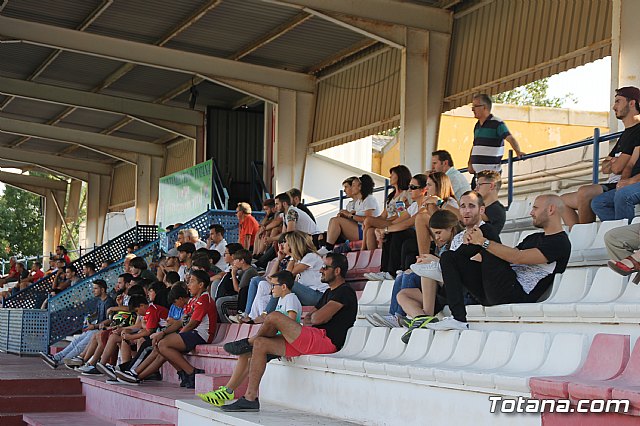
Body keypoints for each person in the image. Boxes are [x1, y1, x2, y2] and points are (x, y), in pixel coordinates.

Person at [215, 253, 357, 412]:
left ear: (337, 271)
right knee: (261, 344)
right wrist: (314, 317)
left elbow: (316, 318)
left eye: (325, 267)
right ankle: (250, 398)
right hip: (313, 337)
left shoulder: (345, 292)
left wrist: (315, 317)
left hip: (326, 341)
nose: (321, 270)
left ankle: (248, 342)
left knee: (274, 316)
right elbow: (310, 317)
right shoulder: (328, 293)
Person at [429, 194, 571, 331]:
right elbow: (505, 256)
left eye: (535, 208)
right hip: (495, 289)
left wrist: (482, 241)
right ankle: (457, 316)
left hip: (515, 294)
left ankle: (444, 267)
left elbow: (516, 257)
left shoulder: (559, 242)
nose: (531, 212)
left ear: (551, 209)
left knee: (486, 231)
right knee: (449, 257)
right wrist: (475, 240)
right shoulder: (533, 237)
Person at [197, 270, 302, 407]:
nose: (271, 290)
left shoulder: (291, 298)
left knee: (251, 355)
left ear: (283, 286)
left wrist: (287, 346)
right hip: (276, 341)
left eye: (274, 285)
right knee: (244, 354)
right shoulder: (282, 299)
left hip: (285, 342)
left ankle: (229, 390)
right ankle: (227, 391)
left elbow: (291, 324)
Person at [115, 270, 217, 388]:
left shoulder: (204, 299)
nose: (188, 285)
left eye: (192, 281)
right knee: (160, 346)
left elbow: (192, 324)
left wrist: (177, 335)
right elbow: (180, 322)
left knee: (163, 344)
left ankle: (192, 372)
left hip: (201, 334)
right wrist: (163, 333)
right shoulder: (193, 301)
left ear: (201, 285)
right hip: (192, 333)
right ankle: (136, 375)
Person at [364, 173, 430, 281]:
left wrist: (386, 229)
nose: (409, 190)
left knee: (398, 232)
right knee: (391, 232)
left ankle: (391, 272)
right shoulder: (414, 206)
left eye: (413, 187)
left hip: (424, 239)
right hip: (414, 236)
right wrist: (382, 231)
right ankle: (384, 270)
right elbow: (397, 221)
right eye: (409, 187)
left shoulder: (426, 204)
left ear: (424, 189)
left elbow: (407, 223)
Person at [39, 279, 115, 368]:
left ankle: (60, 361)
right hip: (95, 329)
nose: (93, 291)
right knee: (75, 342)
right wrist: (89, 319)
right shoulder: (100, 301)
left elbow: (110, 320)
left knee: (80, 345)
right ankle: (56, 357)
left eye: (95, 288)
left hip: (102, 330)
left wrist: (94, 326)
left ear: (102, 290)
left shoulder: (109, 301)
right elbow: (97, 314)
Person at [590, 86, 640, 222]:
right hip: (634, 182)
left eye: (618, 101)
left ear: (632, 103)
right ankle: (618, 235)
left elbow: (617, 167)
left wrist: (631, 181)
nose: (613, 107)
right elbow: (629, 164)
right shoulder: (626, 134)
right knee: (598, 203)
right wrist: (623, 181)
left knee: (622, 195)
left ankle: (624, 238)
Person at [263, 231, 328, 313]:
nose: (283, 245)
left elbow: (287, 276)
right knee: (281, 288)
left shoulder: (310, 256)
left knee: (285, 284)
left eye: (286, 242)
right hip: (309, 294)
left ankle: (266, 314)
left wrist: (292, 255)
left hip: (318, 295)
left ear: (292, 245)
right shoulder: (301, 259)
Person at [467, 94, 525, 182]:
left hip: (490, 176)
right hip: (478, 175)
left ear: (485, 107)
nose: (472, 109)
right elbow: (475, 145)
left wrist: (518, 151)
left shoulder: (497, 123)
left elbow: (510, 138)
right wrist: (470, 162)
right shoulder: (477, 125)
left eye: (475, 106)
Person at [320, 174, 380, 253]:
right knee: (334, 221)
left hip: (366, 232)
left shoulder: (369, 199)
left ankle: (328, 248)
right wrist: (345, 217)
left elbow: (369, 220)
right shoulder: (359, 201)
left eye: (353, 185)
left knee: (336, 221)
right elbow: (355, 217)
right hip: (359, 229)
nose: (351, 188)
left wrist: (349, 215)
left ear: (360, 187)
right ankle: (328, 248)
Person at [362, 165, 412, 250]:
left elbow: (405, 214)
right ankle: (372, 256)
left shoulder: (406, 193)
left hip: (396, 222)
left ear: (399, 176)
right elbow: (383, 215)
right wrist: (372, 222)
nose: (390, 177)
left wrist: (371, 221)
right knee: (370, 230)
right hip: (387, 221)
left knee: (368, 220)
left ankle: (362, 248)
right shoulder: (391, 196)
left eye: (392, 175)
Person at [414, 172, 460, 256]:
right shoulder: (429, 202)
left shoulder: (450, 202)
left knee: (421, 218)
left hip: (452, 240)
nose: (426, 188)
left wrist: (438, 203)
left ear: (439, 186)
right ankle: (423, 258)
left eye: (429, 185)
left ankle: (424, 257)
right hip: (439, 240)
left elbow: (458, 218)